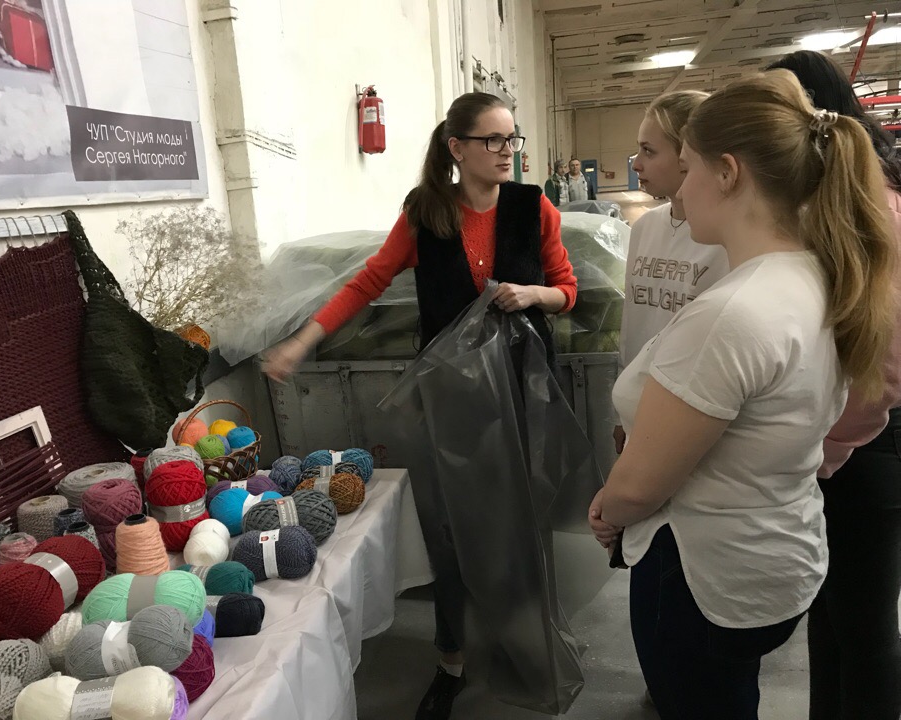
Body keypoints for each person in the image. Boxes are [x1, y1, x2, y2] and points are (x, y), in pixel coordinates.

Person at [588, 70, 897, 719]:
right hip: (771, 557)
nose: (680, 190)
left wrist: (609, 507)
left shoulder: (732, 313)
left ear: (728, 173)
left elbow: (641, 487)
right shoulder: (814, 276)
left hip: (704, 573)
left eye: (689, 168)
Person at [263, 91, 578, 720]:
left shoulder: (532, 206)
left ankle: (524, 643)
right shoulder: (425, 214)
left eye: (512, 138)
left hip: (522, 392)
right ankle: (451, 659)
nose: (508, 152)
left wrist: (533, 294)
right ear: (457, 148)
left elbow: (568, 289)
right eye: (493, 140)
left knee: (521, 526)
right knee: (451, 531)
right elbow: (367, 282)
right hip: (452, 401)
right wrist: (301, 341)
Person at [767, 49, 901, 720]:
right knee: (831, 619)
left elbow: (883, 361)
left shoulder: (871, 209)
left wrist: (824, 452)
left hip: (863, 444)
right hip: (836, 443)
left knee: (865, 630)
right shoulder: (820, 204)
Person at [613, 90, 729, 454]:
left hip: (691, 414)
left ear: (686, 157)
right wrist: (621, 413)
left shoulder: (723, 239)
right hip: (637, 403)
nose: (636, 164)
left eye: (649, 151)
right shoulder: (645, 227)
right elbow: (633, 325)